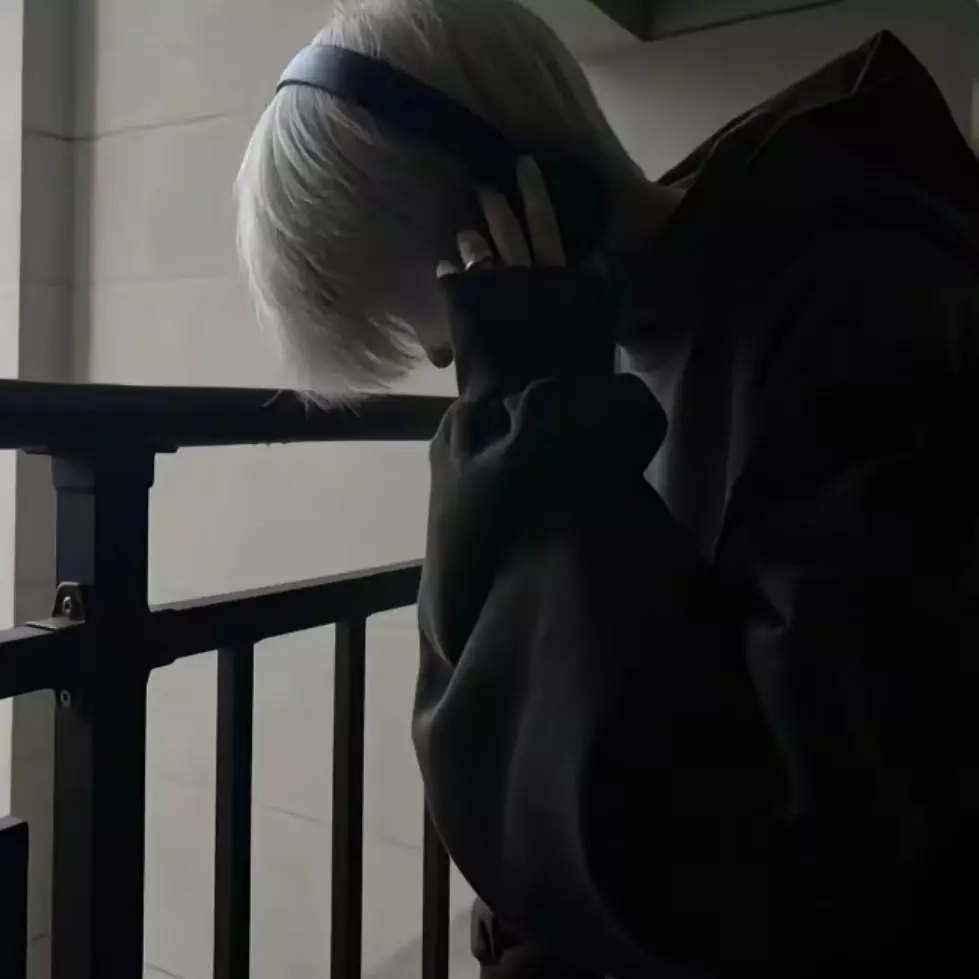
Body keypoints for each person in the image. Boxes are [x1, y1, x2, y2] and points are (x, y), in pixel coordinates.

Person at [236, 1, 979, 975]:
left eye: (419, 313)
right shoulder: (658, 323)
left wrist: (530, 414)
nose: (438, 353)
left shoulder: (857, 306)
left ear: (518, 200)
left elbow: (787, 850)